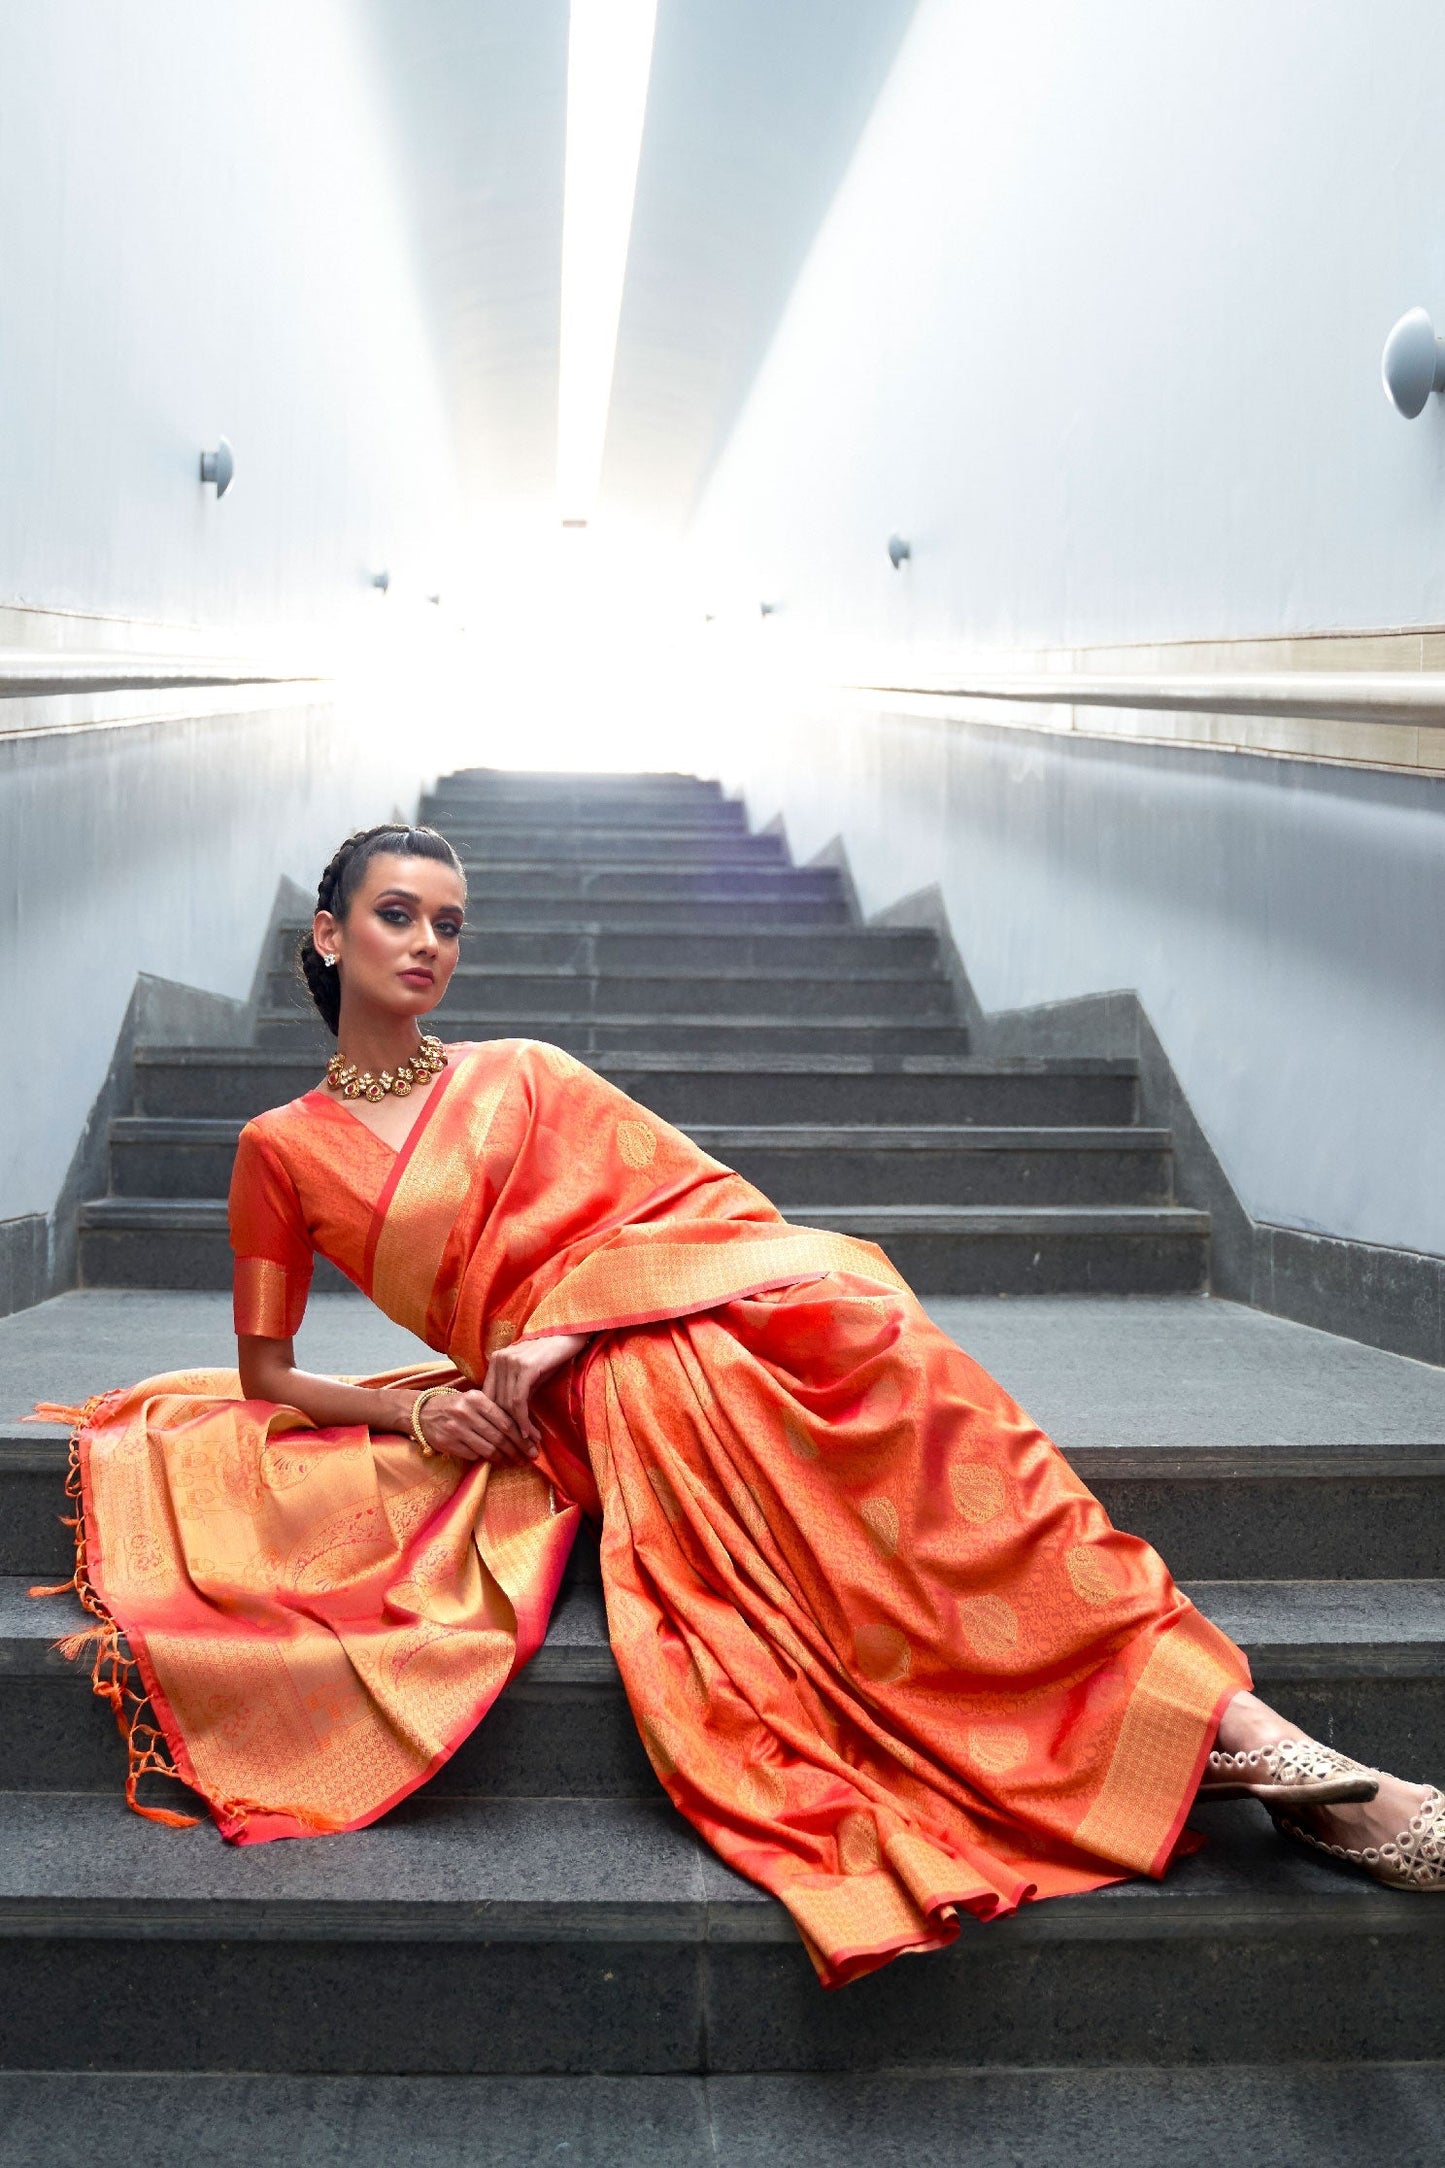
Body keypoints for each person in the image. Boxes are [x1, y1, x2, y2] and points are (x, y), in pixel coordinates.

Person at [41, 824, 1442, 1989]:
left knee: (895, 1364)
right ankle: (1213, 1740)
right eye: (395, 915)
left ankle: (1222, 1722)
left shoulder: (528, 1074)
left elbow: (713, 1209)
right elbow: (267, 1375)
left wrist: (580, 1313)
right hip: (568, 1394)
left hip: (652, 1314)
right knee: (733, 1399)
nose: (426, 944)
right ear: (329, 934)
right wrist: (424, 1418)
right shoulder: (278, 1152)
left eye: (449, 925)